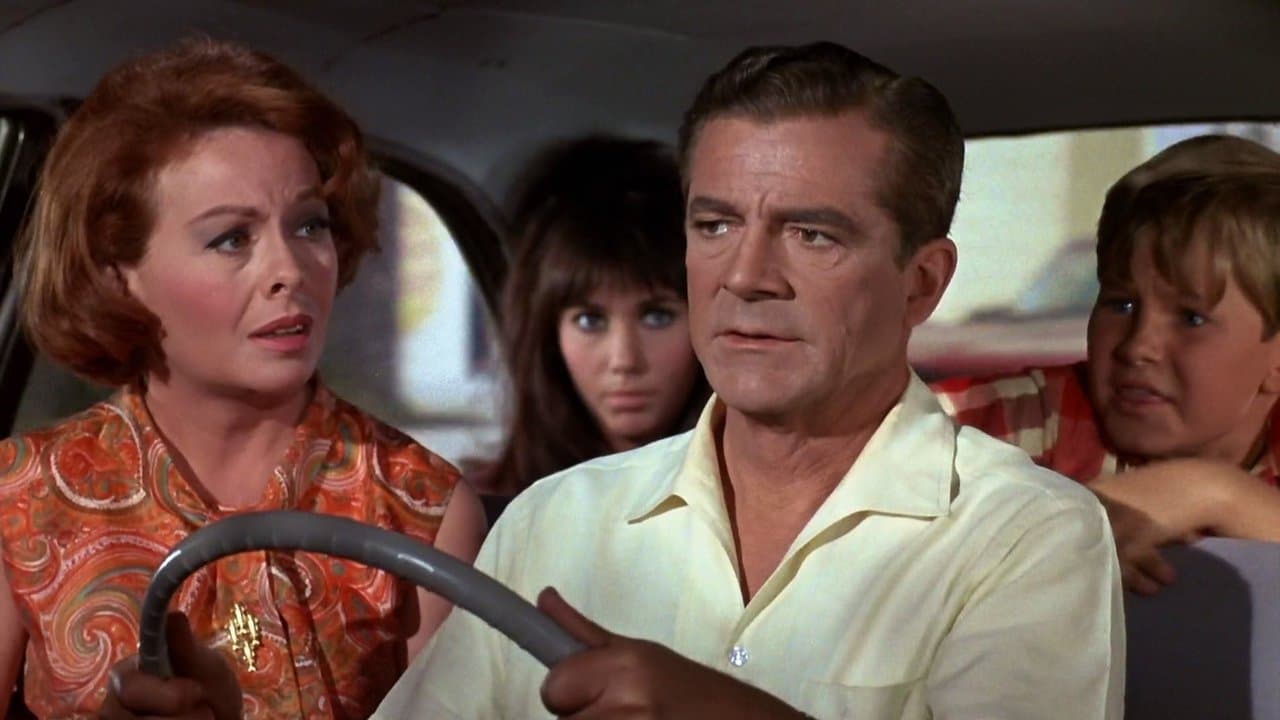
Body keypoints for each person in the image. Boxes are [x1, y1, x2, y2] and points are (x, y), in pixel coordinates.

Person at [375, 41, 1123, 719]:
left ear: (921, 283)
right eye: (716, 226)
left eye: (812, 234)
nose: (745, 276)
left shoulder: (1021, 535)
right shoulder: (555, 519)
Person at [0, 38, 485, 719]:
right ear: (118, 273)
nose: (289, 270)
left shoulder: (421, 508)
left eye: (309, 225)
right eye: (232, 238)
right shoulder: (21, 500)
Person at [932, 138, 1280, 593]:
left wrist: (1214, 493)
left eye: (1191, 318)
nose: (1138, 346)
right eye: (1121, 304)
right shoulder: (1021, 419)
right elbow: (864, 459)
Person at [479, 136, 710, 506]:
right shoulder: (488, 515)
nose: (624, 360)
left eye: (657, 316)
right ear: (548, 335)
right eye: (590, 321)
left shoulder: (759, 507)